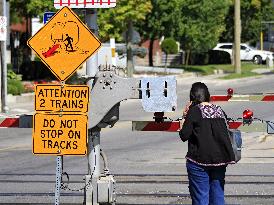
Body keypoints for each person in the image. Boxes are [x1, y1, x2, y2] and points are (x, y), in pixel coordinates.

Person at [179, 82, 235, 205]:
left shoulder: (194, 111)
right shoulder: (220, 110)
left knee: (201, 198)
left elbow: (184, 135)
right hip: (220, 160)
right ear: (208, 95)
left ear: (192, 97)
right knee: (218, 197)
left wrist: (184, 117)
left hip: (199, 161)